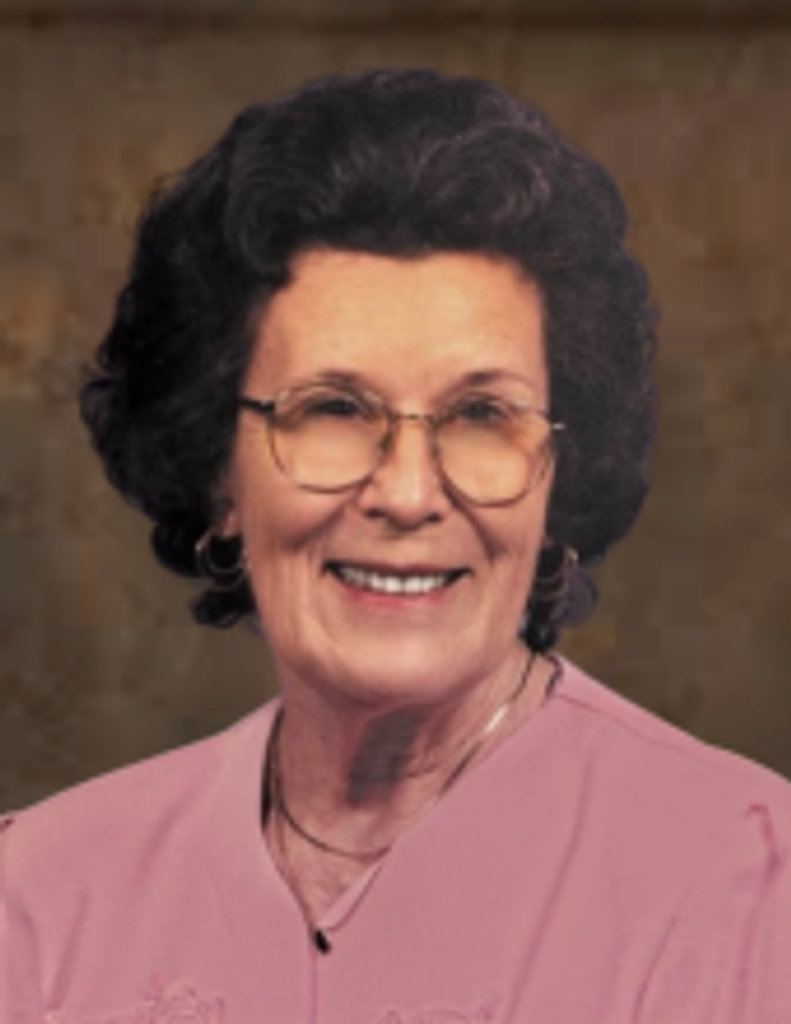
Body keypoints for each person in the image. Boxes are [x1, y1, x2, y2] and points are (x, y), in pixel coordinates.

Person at [2, 69, 789, 1024]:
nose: (408, 494)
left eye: (481, 414)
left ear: (557, 476)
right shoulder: (40, 899)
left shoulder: (746, 886)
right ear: (216, 473)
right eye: (332, 409)